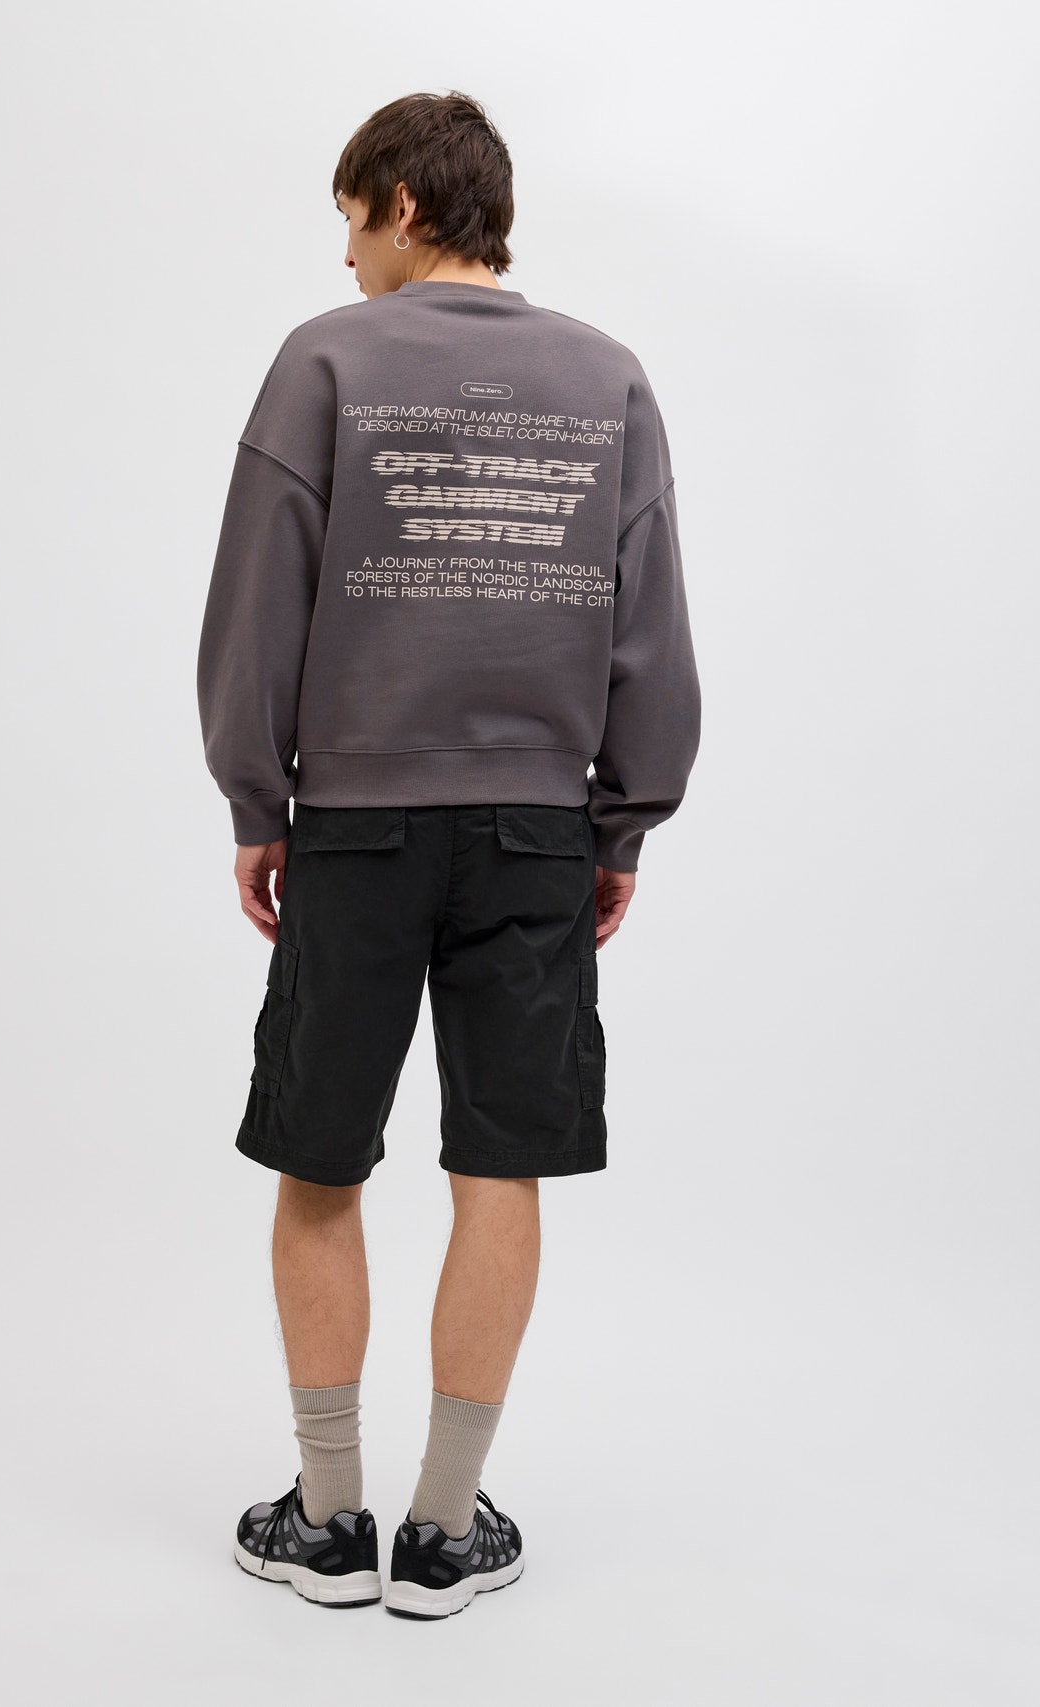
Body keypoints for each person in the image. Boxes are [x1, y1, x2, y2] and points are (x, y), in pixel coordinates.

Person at [196, 89, 701, 1619]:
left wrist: (258, 804)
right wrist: (622, 818)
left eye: (352, 221)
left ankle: (326, 1519)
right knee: (500, 1165)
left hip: (354, 827)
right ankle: (441, 1529)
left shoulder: (327, 362)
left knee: (320, 1157)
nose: (347, 257)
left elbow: (256, 610)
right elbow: (651, 630)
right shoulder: (608, 380)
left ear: (405, 205)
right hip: (539, 830)